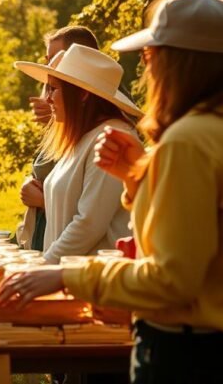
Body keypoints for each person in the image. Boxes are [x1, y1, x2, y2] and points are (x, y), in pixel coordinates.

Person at [0, 0, 223, 383]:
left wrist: (67, 275)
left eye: (151, 56)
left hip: (185, 350)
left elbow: (172, 278)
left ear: (179, 64)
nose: (147, 68)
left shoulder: (188, 140)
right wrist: (137, 178)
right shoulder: (209, 132)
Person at [14, 45, 141, 262]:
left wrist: (44, 267)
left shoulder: (112, 137)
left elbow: (88, 224)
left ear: (82, 94)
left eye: (54, 89)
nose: (47, 99)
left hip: (97, 283)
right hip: (71, 278)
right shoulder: (82, 137)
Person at [16, 26, 101, 250]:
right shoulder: (73, 121)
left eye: (55, 58)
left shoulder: (103, 134)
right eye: (48, 59)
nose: (49, 67)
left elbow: (89, 221)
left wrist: (44, 200)